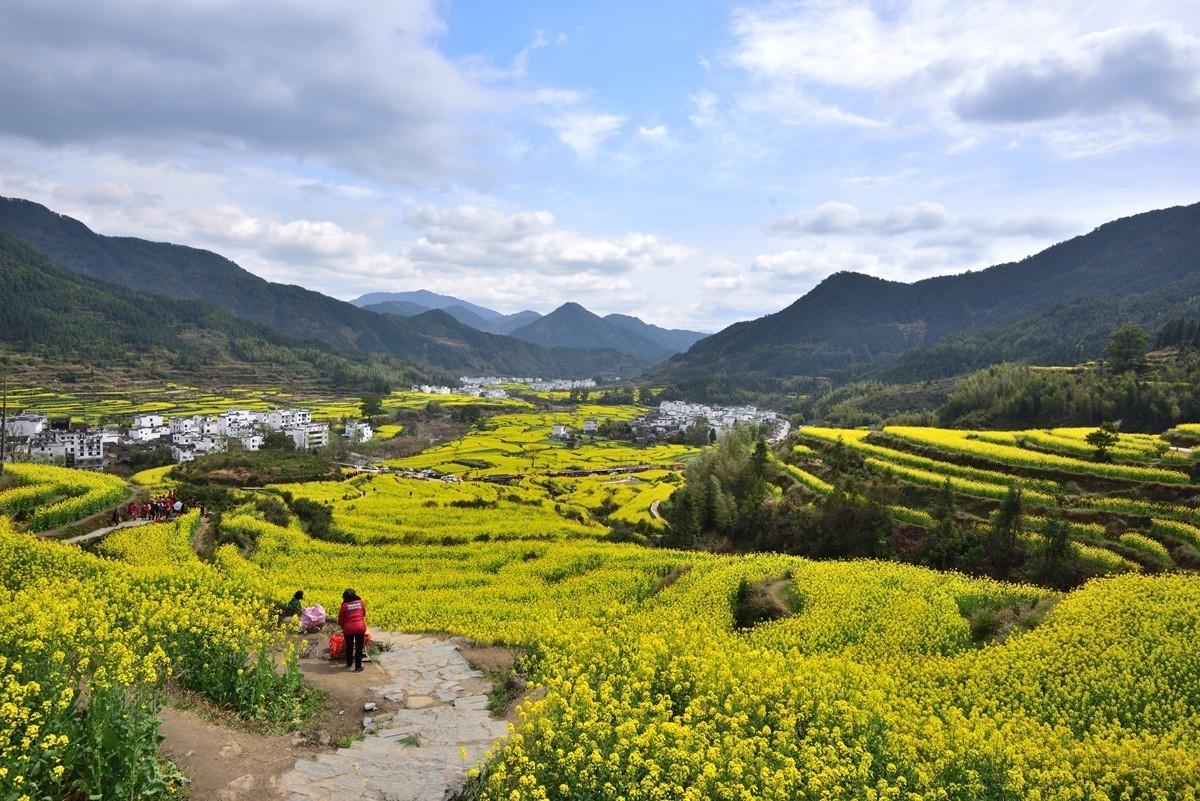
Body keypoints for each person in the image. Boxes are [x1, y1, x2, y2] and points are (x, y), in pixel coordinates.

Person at [337, 588, 367, 672]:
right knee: (359, 647)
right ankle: (358, 667)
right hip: (360, 628)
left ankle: (349, 664)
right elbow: (364, 613)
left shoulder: (344, 605)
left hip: (348, 628)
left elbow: (340, 619)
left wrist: (344, 626)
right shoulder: (361, 602)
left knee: (349, 646)